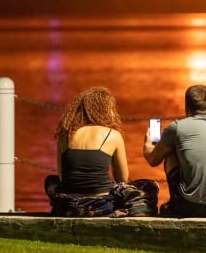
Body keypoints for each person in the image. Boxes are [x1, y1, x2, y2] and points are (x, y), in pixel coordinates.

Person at [44, 86, 158, 217]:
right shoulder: (113, 135)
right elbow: (123, 179)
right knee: (149, 187)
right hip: (101, 205)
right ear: (107, 110)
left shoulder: (65, 135)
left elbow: (62, 177)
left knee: (51, 181)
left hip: (68, 205)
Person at [142, 84, 206, 217]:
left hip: (194, 207)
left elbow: (153, 160)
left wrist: (148, 146)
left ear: (186, 107)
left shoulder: (176, 128)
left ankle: (175, 203)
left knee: (171, 152)